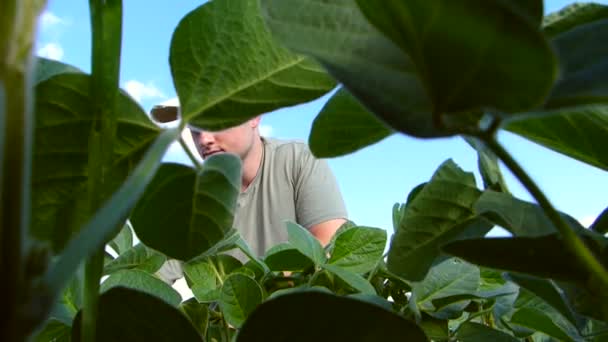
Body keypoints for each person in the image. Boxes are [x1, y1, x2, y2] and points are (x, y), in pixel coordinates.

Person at [157, 115, 348, 283]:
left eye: (215, 122)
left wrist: (257, 299)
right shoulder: (192, 200)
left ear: (254, 117)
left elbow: (331, 245)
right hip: (226, 323)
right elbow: (154, 276)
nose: (204, 139)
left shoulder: (298, 159)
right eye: (195, 129)